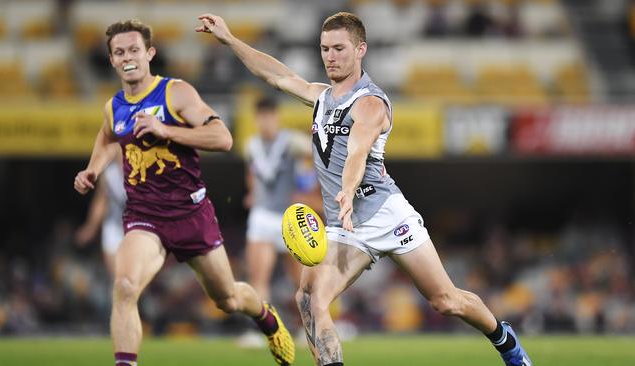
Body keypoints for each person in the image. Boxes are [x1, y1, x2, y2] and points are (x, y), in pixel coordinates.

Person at [197, 12, 532, 366]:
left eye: (339, 48)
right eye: (325, 48)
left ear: (361, 50)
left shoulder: (371, 102)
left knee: (445, 300)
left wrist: (346, 189)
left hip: (386, 215)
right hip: (346, 227)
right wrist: (231, 40)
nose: (330, 56)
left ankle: (504, 339)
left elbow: (358, 150)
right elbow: (276, 74)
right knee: (309, 299)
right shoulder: (322, 97)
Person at [73, 19, 294, 366]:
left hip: (192, 216)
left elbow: (223, 138)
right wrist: (93, 168)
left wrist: (167, 131)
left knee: (229, 300)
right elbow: (107, 137)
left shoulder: (176, 93)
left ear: (149, 53)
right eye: (119, 52)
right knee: (126, 287)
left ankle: (267, 320)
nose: (127, 57)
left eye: (134, 49)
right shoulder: (113, 106)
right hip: (144, 216)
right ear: (112, 60)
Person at [239, 96, 310, 347]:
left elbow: (317, 156)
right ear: (256, 119)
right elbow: (252, 174)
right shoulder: (251, 145)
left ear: (276, 117)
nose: (265, 122)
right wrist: (252, 192)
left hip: (288, 217)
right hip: (261, 216)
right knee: (259, 278)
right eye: (261, 117)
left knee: (299, 281)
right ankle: (262, 332)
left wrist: (307, 190)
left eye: (269, 116)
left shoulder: (291, 142)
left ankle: (306, 329)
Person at [75, 147, 125, 276]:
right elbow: (101, 202)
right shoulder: (109, 174)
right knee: (117, 277)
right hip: (114, 226)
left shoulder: (143, 173)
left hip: (139, 227)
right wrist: (90, 228)